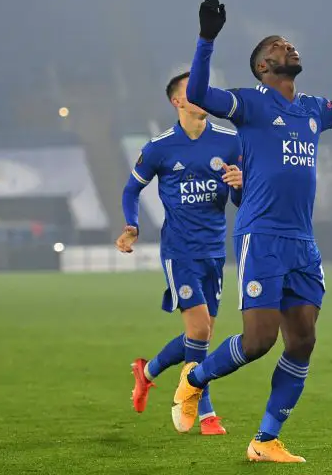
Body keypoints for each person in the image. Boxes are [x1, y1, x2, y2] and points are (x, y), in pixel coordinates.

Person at [171, 0, 332, 461]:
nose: (289, 47)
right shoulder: (251, 104)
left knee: (303, 341)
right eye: (278, 46)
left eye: (290, 44)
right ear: (263, 66)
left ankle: (265, 440)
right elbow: (197, 94)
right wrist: (206, 39)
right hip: (261, 235)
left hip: (302, 241)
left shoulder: (312, 109)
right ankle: (194, 378)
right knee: (259, 341)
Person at [117, 70, 244, 436]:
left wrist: (239, 186)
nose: (203, 94)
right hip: (179, 251)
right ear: (176, 101)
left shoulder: (230, 141)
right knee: (200, 330)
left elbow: (240, 198)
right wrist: (132, 226)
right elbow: (131, 190)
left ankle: (147, 371)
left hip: (214, 250)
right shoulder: (159, 147)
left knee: (200, 336)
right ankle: (206, 413)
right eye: (193, 91)